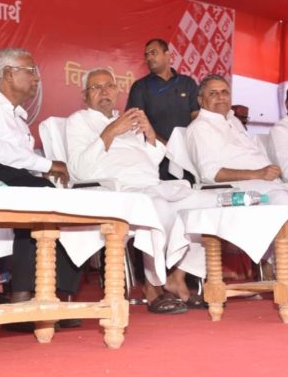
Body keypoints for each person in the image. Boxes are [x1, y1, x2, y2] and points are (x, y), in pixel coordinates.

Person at [0, 47, 81, 313]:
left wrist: (41, 169)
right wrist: (47, 165)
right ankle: (22, 296)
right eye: (31, 71)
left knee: (57, 198)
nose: (37, 78)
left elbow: (18, 160)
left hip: (3, 170)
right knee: (39, 195)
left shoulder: (18, 117)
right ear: (8, 73)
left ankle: (55, 293)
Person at [66, 68, 206, 313]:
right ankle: (152, 286)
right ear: (84, 95)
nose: (104, 92)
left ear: (117, 91)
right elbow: (79, 169)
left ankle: (177, 277)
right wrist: (111, 131)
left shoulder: (128, 120)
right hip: (117, 189)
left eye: (109, 86)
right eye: (96, 87)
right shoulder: (79, 120)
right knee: (156, 206)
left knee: (202, 204)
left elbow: (149, 162)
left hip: (150, 184)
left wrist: (150, 137)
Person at [186, 75, 281, 185]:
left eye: (225, 92)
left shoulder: (233, 119)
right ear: (200, 100)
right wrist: (257, 174)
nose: (221, 97)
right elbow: (209, 173)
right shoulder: (200, 127)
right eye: (213, 93)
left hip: (269, 183)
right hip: (243, 188)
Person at [126, 38, 199, 180]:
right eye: (146, 55)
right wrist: (167, 146)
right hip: (157, 157)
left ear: (167, 54)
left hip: (188, 156)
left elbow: (196, 118)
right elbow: (137, 123)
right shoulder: (140, 87)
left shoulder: (187, 83)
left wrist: (188, 147)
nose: (149, 58)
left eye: (153, 53)